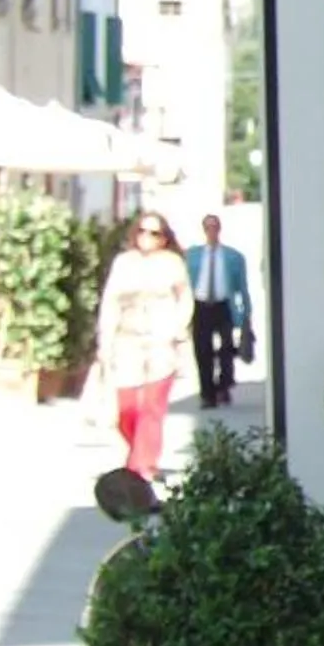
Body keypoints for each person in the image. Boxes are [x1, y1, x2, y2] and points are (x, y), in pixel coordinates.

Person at [93, 211, 193, 519]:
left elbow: (185, 296)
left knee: (152, 408)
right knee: (127, 410)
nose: (149, 238)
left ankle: (140, 467)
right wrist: (104, 341)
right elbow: (110, 301)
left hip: (160, 341)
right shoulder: (124, 263)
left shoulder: (172, 263)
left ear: (165, 237)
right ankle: (140, 457)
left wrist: (178, 328)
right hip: (128, 340)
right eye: (144, 232)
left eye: (156, 233)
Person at [186, 212, 252, 406]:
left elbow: (242, 287)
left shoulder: (233, 256)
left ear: (219, 229)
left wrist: (246, 313)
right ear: (203, 230)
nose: (211, 231)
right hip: (200, 306)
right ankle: (207, 394)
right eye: (208, 227)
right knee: (202, 350)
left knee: (226, 350)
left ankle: (223, 386)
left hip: (224, 305)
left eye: (214, 227)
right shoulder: (193, 255)